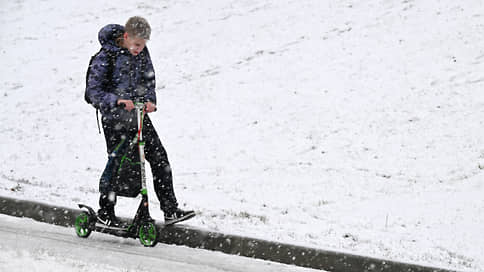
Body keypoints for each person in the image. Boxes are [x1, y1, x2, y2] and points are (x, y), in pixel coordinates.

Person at [86, 16, 194, 226]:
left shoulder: (142, 52)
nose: (139, 49)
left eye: (143, 45)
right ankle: (105, 212)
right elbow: (93, 92)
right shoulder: (106, 56)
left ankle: (170, 210)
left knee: (160, 159)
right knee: (119, 163)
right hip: (115, 119)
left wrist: (150, 100)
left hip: (138, 116)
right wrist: (117, 101)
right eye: (136, 44)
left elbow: (148, 79)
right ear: (125, 36)